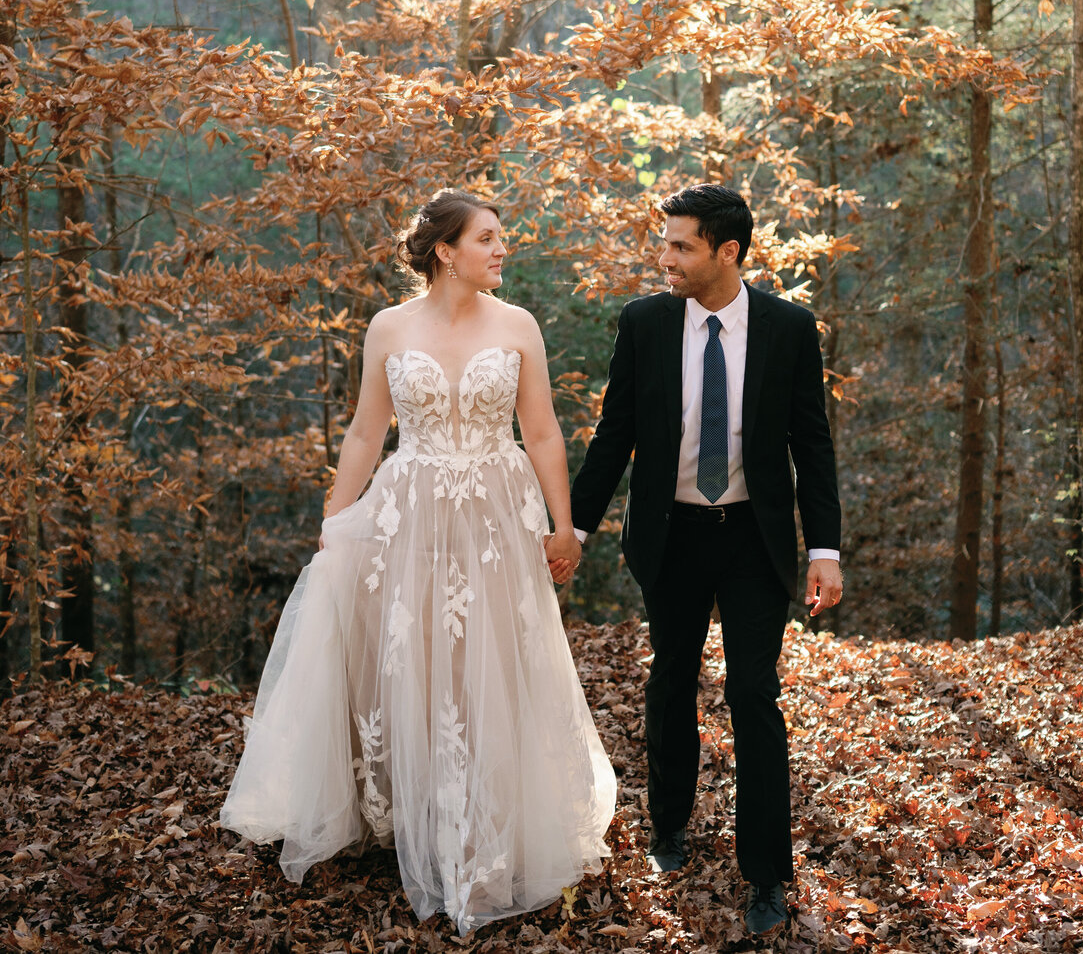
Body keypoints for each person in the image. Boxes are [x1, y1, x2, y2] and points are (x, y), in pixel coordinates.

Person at [221, 189, 616, 934]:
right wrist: (338, 517)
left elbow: (544, 434)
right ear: (446, 250)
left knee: (494, 660)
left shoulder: (518, 324)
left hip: (498, 514)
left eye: (502, 238)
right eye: (489, 238)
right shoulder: (389, 327)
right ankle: (422, 817)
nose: (503, 250)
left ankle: (485, 830)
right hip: (412, 509)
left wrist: (566, 525)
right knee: (422, 663)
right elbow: (368, 433)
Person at [570, 183, 842, 937]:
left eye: (682, 245)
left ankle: (766, 875)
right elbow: (612, 434)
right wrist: (576, 531)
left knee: (756, 695)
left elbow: (811, 445)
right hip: (673, 533)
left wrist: (824, 549)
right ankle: (668, 829)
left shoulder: (788, 329)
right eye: (666, 242)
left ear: (728, 251)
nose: (667, 258)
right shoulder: (645, 323)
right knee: (670, 680)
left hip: (755, 540)